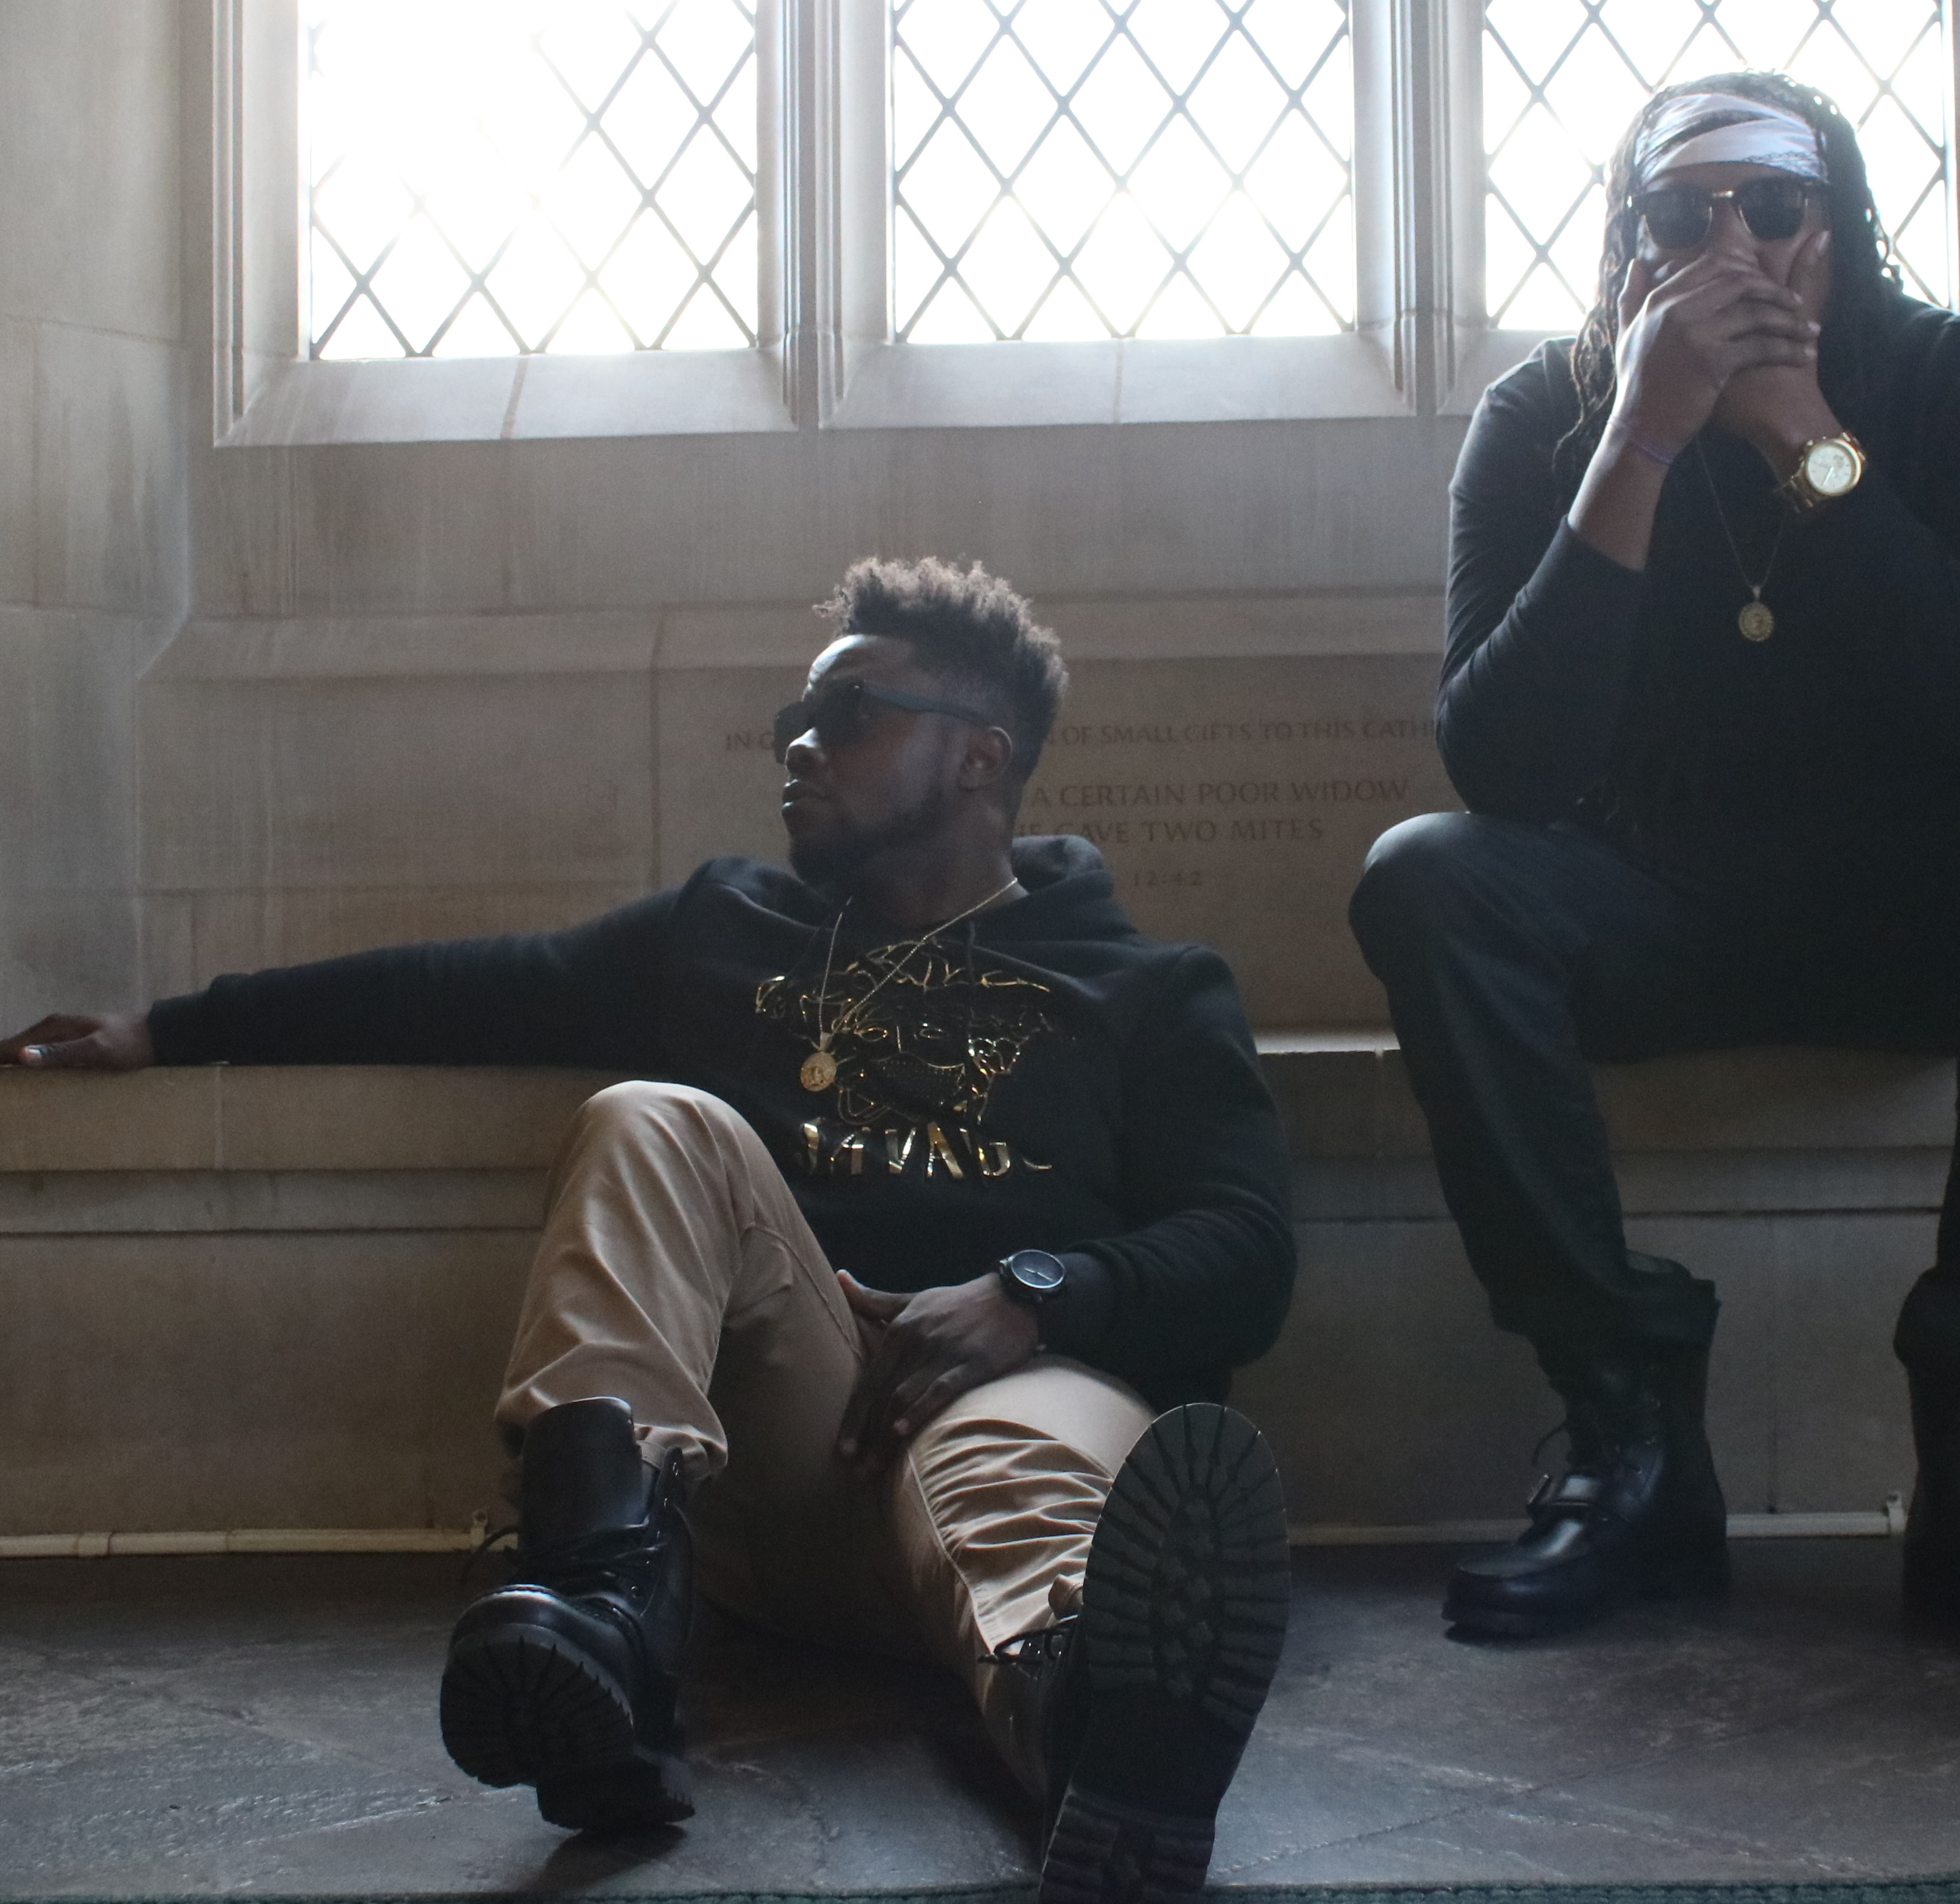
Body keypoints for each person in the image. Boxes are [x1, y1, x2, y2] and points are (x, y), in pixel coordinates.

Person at [4, 558, 1298, 1896]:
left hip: (1011, 1408)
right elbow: (463, 990)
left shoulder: (1146, 989)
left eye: (848, 715)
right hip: (779, 1465)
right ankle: (597, 1620)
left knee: (1015, 1457)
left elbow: (1248, 1250)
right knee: (652, 1117)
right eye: (794, 718)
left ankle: (1100, 1733)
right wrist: (171, 1027)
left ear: (981, 757)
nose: (800, 745)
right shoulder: (727, 928)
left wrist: (1029, 1294)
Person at [1349, 75, 1960, 1667]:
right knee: (1427, 878)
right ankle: (1630, 1436)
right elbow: (1501, 768)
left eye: (1772, 208)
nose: (1732, 248)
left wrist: (1808, 440)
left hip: (1907, 906)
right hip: (1648, 903)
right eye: (1683, 213)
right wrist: (1641, 444)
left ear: (1835, 227)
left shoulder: (1954, 384)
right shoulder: (1542, 417)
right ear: (1630, 238)